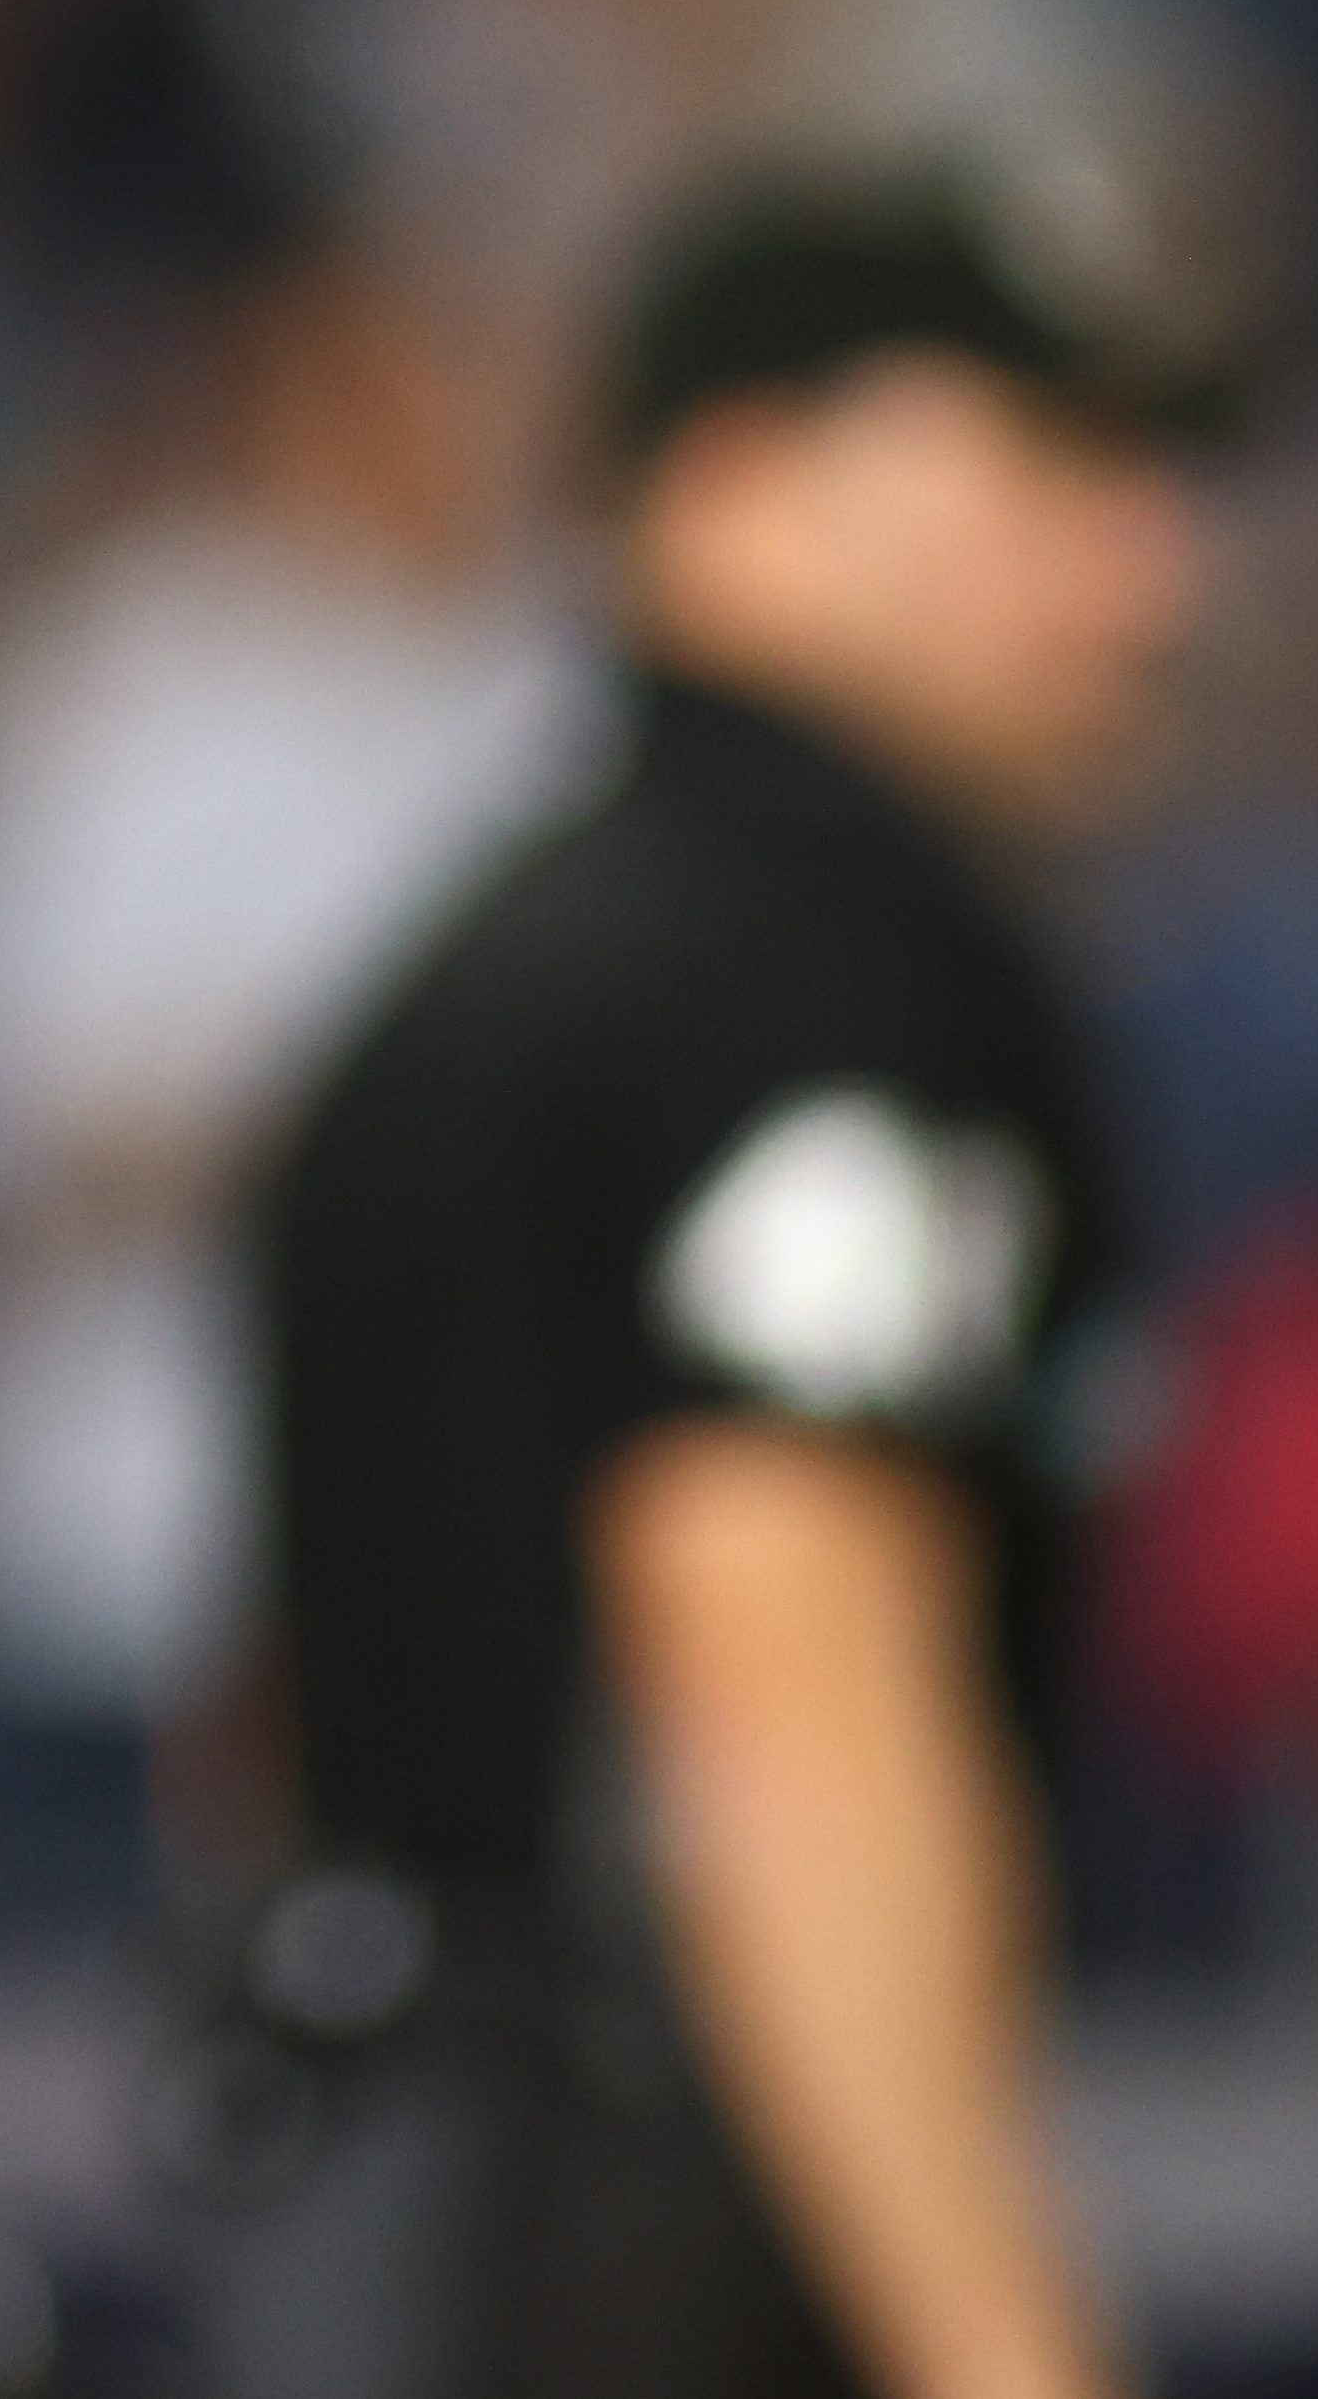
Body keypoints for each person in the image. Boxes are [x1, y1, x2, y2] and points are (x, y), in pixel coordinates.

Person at [210, 171, 1209, 2399]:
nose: (1153, 572)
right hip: (647, 2224)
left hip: (388, 2186)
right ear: (745, 482)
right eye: (1054, 466)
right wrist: (1004, 2356)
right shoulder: (817, 962)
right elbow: (776, 1700)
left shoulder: (521, 936)